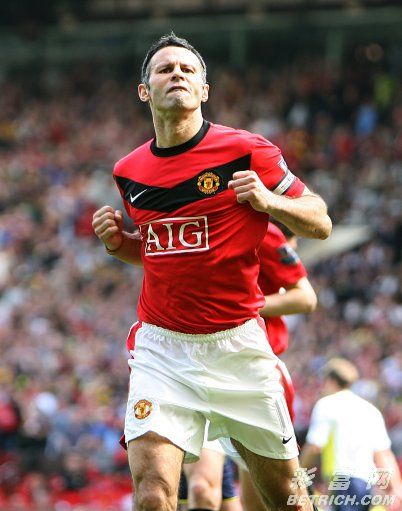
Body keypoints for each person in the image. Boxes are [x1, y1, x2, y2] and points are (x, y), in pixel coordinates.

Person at [92, 32, 331, 511]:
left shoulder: (247, 150)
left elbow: (320, 221)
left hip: (237, 345)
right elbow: (161, 252)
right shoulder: (128, 171)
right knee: (153, 493)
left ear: (204, 89)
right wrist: (120, 245)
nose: (177, 75)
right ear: (144, 91)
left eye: (188, 70)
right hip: (163, 348)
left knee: (288, 499)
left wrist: (270, 201)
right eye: (165, 69)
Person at [238, 221, 317, 511]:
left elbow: (306, 297)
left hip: (256, 375)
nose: (293, 248)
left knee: (271, 496)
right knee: (207, 487)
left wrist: (242, 306)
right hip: (210, 370)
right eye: (294, 241)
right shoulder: (255, 230)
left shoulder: (264, 232)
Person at [300, 358, 402, 511]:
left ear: (330, 381)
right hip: (367, 483)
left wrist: (299, 471)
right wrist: (396, 487)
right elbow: (384, 454)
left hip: (342, 480)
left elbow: (315, 446)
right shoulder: (371, 410)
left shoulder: (327, 405)